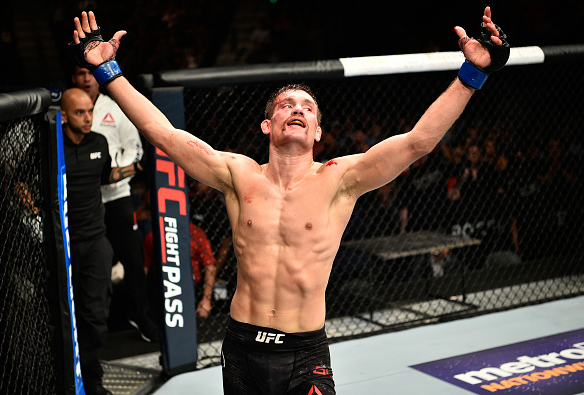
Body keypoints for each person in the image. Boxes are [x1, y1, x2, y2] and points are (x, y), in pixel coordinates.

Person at [69, 7, 509, 394]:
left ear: (317, 131)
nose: (296, 109)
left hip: (305, 353)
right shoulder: (237, 174)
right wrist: (109, 73)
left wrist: (472, 75)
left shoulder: (342, 179)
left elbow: (418, 143)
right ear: (267, 125)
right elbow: (164, 133)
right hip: (241, 346)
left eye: (307, 107)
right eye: (285, 104)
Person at [60, 87, 143, 395]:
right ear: (65, 115)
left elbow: (106, 176)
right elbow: (22, 181)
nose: (87, 118)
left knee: (95, 316)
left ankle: (92, 383)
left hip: (95, 240)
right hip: (64, 242)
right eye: (80, 113)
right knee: (66, 315)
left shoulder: (99, 141)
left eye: (90, 112)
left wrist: (138, 167)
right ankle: (68, 379)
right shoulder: (53, 146)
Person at [70, 65, 159, 343]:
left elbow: (135, 147)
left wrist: (111, 173)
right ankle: (86, 328)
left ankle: (141, 315)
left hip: (118, 196)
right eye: (80, 74)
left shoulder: (115, 107)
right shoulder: (66, 109)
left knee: (132, 259)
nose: (86, 78)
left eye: (89, 74)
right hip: (84, 200)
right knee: (85, 263)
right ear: (73, 78)